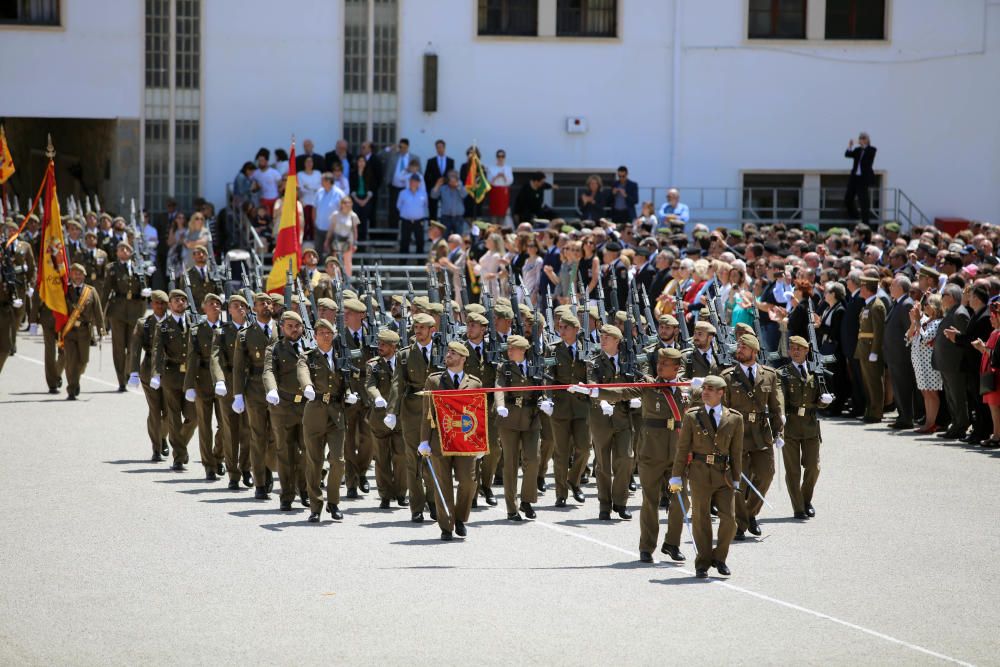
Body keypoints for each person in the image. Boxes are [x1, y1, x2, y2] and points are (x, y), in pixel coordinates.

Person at [669, 374, 743, 578]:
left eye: (711, 389)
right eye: (704, 389)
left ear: (721, 393)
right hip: (699, 472)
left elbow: (736, 451)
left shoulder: (735, 418)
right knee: (701, 519)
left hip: (724, 473)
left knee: (729, 519)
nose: (706, 392)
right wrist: (676, 476)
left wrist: (736, 477)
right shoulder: (693, 416)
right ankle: (702, 562)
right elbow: (682, 449)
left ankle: (719, 558)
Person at [417, 341, 481, 541]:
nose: (448, 356)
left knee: (468, 482)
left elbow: (478, 414)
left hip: (465, 441)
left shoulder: (475, 383)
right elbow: (427, 413)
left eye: (453, 353)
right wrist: (424, 441)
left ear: (463, 358)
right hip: (440, 441)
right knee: (442, 484)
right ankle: (446, 526)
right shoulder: (434, 381)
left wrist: (481, 443)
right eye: (448, 352)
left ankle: (460, 517)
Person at [722, 334, 783, 541]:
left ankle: (750, 514)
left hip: (760, 434)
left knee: (767, 474)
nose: (739, 350)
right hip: (737, 435)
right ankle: (741, 523)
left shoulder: (769, 375)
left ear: (754, 352)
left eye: (744, 347)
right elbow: (724, 410)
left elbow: (775, 406)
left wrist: (778, 432)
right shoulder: (728, 376)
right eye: (738, 347)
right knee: (738, 482)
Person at [298, 318, 352, 523]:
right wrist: (308, 387)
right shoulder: (308, 358)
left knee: (338, 461)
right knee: (314, 462)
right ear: (315, 336)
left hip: (336, 414)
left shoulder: (341, 356)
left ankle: (334, 502)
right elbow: (302, 373)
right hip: (314, 413)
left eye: (329, 332)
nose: (326, 336)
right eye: (321, 333)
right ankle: (315, 506)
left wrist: (349, 393)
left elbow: (348, 379)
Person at [386, 312, 439, 523]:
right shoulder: (405, 355)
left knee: (434, 460)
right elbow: (397, 383)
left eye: (422, 328)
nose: (418, 331)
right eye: (415, 328)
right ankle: (416, 507)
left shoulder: (442, 351)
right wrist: (392, 410)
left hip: (436, 410)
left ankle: (434, 503)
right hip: (412, 411)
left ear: (431, 330)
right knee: (413, 461)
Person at [582, 324, 635, 521]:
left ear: (617, 341)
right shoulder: (593, 363)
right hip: (601, 417)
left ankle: (620, 502)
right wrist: (603, 400)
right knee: (603, 463)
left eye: (607, 337)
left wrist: (635, 397)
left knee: (626, 458)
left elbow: (636, 382)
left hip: (622, 416)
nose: (602, 340)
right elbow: (592, 385)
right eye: (602, 336)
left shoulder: (627, 361)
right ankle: (605, 504)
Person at [494, 335, 547, 521]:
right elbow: (499, 387)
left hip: (531, 419)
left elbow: (542, 389)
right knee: (510, 463)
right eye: (508, 348)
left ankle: (527, 500)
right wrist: (499, 405)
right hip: (508, 419)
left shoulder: (536, 367)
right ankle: (511, 507)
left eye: (512, 349)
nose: (508, 351)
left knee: (533, 459)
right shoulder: (504, 368)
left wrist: (545, 402)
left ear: (523, 351)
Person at [232, 293, 279, 500]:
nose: (266, 306)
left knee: (275, 436)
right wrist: (238, 395)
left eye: (269, 303)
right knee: (258, 436)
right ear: (254, 308)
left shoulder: (283, 329)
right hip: (255, 390)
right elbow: (239, 368)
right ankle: (260, 482)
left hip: (278, 389)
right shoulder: (245, 335)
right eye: (262, 303)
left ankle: (269, 469)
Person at [779, 337, 833, 520]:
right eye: (792, 348)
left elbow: (819, 397)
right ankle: (798, 508)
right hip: (791, 426)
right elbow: (779, 398)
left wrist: (824, 401)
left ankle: (806, 499)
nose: (795, 351)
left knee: (813, 467)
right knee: (793, 471)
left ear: (807, 351)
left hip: (810, 426)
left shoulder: (815, 372)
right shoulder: (783, 374)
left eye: (799, 349)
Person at [262, 311, 309, 511]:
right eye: (289, 326)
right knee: (285, 452)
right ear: (282, 327)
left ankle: (305, 491)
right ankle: (287, 495)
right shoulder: (274, 349)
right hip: (283, 406)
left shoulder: (309, 347)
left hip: (307, 406)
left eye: (296, 326)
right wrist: (271, 389)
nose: (293, 329)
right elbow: (268, 371)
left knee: (307, 452)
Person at [211, 294, 253, 489]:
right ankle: (233, 473)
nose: (241, 308)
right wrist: (219, 380)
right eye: (236, 305)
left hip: (249, 384)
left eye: (243, 305)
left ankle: (246, 468)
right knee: (230, 431)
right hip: (228, 384)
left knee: (248, 430)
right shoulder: (222, 332)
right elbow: (215, 358)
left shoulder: (252, 331)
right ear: (230, 310)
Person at [183, 293, 226, 480]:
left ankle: (218, 456)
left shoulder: (227, 328)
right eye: (211, 303)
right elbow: (191, 358)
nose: (215, 305)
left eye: (218, 303)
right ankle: (208, 465)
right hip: (202, 380)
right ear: (204, 308)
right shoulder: (196, 330)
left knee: (225, 425)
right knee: (205, 425)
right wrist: (189, 385)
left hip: (223, 381)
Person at [150, 289, 194, 468]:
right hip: (172, 375)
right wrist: (156, 373)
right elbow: (157, 351)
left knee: (194, 416)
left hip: (191, 376)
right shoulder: (163, 326)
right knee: (174, 418)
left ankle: (179, 444)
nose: (180, 302)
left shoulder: (194, 322)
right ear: (170, 304)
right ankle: (179, 456)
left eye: (183, 300)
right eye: (176, 300)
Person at [365, 328, 408, 508]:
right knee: (381, 458)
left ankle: (400, 493)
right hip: (380, 417)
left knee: (401, 457)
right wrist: (378, 397)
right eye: (379, 343)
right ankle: (384, 494)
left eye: (384, 345)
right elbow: (370, 384)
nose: (379, 347)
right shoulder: (373, 365)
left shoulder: (404, 363)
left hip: (400, 416)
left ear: (394, 347)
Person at [104, 241, 151, 391]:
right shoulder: (112, 268)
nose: (124, 250)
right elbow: (106, 291)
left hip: (136, 310)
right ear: (117, 252)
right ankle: (121, 380)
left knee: (133, 345)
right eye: (120, 248)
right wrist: (101, 315)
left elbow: (145, 286)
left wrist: (146, 293)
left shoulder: (139, 267)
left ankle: (129, 373)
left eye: (127, 248)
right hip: (117, 310)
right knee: (118, 347)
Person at [933, 284, 970, 439]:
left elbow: (964, 340)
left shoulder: (959, 313)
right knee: (951, 396)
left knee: (957, 396)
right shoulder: (952, 312)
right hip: (947, 363)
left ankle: (961, 425)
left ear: (953, 297)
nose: (941, 298)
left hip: (955, 363)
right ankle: (955, 424)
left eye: (944, 295)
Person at [883, 275, 917, 429]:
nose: (890, 288)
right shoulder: (898, 303)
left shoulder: (906, 304)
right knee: (898, 386)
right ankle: (902, 416)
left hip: (902, 355)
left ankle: (907, 418)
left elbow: (910, 330)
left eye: (893, 286)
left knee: (903, 386)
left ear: (901, 288)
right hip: (894, 354)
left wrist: (906, 352)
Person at [908, 293, 944, 433]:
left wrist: (917, 321)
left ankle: (931, 423)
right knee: (925, 392)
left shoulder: (937, 322)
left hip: (929, 363)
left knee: (931, 393)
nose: (925, 306)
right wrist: (914, 322)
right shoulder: (926, 321)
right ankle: (928, 422)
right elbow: (908, 337)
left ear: (934, 307)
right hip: (920, 362)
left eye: (927, 304)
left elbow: (925, 338)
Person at [854, 275, 887, 423]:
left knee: (874, 382)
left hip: (870, 349)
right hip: (864, 348)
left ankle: (876, 412)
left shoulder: (876, 305)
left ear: (867, 288)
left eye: (862, 287)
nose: (860, 289)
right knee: (867, 382)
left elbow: (879, 331)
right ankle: (870, 410)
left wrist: (875, 351)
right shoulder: (868, 304)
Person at [974, 300, 1000, 449]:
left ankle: (997, 436)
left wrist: (983, 348)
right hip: (989, 373)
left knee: (996, 407)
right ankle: (996, 434)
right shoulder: (994, 332)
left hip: (996, 375)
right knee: (993, 406)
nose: (990, 318)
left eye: (993, 316)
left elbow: (996, 355)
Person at [386, 138, 420, 231]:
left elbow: (419, 173)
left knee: (407, 211)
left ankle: (407, 233)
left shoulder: (414, 158)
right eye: (400, 147)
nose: (402, 149)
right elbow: (381, 156)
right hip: (394, 188)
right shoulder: (393, 156)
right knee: (393, 211)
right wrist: (389, 149)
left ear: (408, 147)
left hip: (408, 189)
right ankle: (392, 235)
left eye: (404, 147)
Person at [843, 132, 876, 225]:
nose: (861, 139)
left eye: (863, 138)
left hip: (863, 178)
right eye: (860, 138)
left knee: (863, 201)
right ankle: (855, 215)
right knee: (848, 198)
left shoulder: (872, 149)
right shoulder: (857, 150)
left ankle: (866, 222)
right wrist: (850, 146)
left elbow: (868, 158)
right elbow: (847, 154)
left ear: (867, 140)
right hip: (854, 177)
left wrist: (864, 146)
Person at [324, 196, 360, 276]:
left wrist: (355, 243)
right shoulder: (336, 214)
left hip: (348, 242)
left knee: (347, 262)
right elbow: (331, 229)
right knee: (336, 262)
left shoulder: (353, 216)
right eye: (345, 202)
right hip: (337, 241)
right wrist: (327, 240)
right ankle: (337, 279)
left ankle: (347, 281)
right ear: (341, 204)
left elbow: (355, 230)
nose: (347, 204)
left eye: (348, 202)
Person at [397, 174, 428, 255]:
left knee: (420, 241)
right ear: (409, 182)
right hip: (406, 221)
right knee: (404, 241)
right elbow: (398, 206)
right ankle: (402, 263)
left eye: (415, 181)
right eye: (412, 181)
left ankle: (420, 263)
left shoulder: (423, 193)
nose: (413, 183)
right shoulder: (403, 193)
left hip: (419, 221)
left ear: (419, 183)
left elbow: (425, 205)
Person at [423, 139, 454, 221]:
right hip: (434, 188)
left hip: (446, 189)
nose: (439, 149)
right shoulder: (431, 161)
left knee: (446, 208)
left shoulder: (450, 161)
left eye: (441, 147)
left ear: (444, 148)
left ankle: (446, 226)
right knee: (433, 209)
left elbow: (452, 176)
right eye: (437, 147)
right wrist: (429, 189)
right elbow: (426, 177)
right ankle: (432, 226)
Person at [430, 169, 467, 237]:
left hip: (458, 218)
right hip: (445, 218)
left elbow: (464, 194)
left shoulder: (461, 186)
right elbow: (433, 195)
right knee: (445, 238)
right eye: (450, 176)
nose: (452, 179)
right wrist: (437, 185)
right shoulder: (443, 188)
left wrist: (458, 186)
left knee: (458, 239)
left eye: (454, 176)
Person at [297, 155, 322, 242]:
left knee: (314, 221)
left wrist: (308, 187)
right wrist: (313, 188)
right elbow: (301, 188)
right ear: (304, 163)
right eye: (307, 162)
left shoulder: (318, 173)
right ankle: (304, 238)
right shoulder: (300, 174)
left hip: (316, 202)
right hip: (305, 201)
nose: (309, 164)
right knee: (305, 221)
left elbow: (320, 187)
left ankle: (314, 238)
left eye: (310, 162)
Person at [350, 155, 374, 242]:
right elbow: (352, 189)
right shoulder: (353, 173)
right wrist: (358, 200)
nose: (361, 163)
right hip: (355, 199)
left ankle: (363, 239)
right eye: (359, 161)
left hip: (366, 199)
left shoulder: (369, 173)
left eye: (363, 161)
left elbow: (371, 189)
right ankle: (355, 239)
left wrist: (364, 201)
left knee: (364, 219)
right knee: (355, 219)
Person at [487, 149, 512, 221]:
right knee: (494, 212)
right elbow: (489, 180)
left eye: (502, 156)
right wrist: (496, 176)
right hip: (495, 191)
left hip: (503, 191)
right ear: (496, 157)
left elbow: (510, 181)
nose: (500, 158)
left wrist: (504, 176)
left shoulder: (508, 168)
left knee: (503, 212)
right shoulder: (491, 168)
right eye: (499, 156)